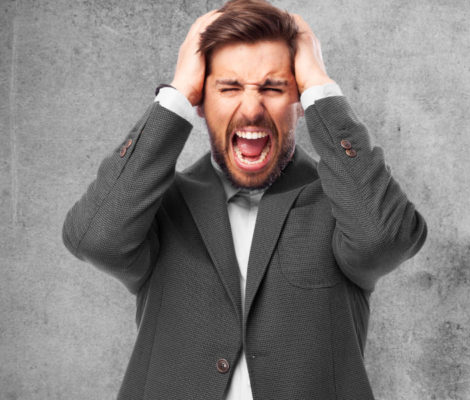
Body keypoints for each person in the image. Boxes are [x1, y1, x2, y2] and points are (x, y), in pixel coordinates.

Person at [61, 0, 427, 398]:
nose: (251, 109)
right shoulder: (159, 207)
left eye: (273, 87)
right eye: (229, 88)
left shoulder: (343, 206)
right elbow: (93, 237)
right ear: (201, 103)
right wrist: (177, 93)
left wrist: (319, 83)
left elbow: (386, 239)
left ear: (299, 103)